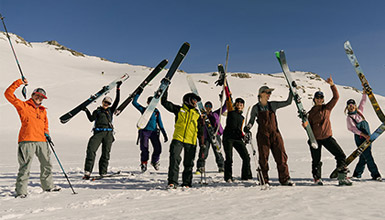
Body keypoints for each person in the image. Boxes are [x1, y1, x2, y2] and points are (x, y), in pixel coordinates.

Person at [5, 78, 60, 198]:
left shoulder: (43, 111)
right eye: (37, 96)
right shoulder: (23, 106)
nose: (39, 98)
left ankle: (48, 186)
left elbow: (45, 124)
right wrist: (19, 82)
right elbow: (8, 94)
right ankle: (21, 191)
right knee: (25, 166)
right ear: (33, 95)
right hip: (26, 140)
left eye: (41, 97)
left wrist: (47, 134)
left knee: (47, 164)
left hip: (42, 141)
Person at [305, 76, 351, 186]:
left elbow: (336, 97)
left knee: (341, 155)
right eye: (317, 98)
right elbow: (308, 127)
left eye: (321, 98)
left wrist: (332, 85)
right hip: (315, 139)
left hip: (327, 138)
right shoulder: (311, 113)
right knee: (316, 160)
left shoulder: (327, 108)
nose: (320, 99)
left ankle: (342, 177)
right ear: (314, 99)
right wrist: (305, 125)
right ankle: (317, 178)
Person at [244, 86, 294, 186]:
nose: (269, 95)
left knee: (281, 156)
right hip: (263, 136)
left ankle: (285, 179)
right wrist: (248, 127)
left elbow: (288, 102)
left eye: (270, 93)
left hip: (275, 134)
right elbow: (251, 121)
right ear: (261, 94)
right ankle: (264, 180)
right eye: (267, 93)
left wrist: (291, 92)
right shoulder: (256, 108)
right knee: (263, 158)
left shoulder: (273, 105)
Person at [161, 89, 203, 188]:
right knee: (174, 159)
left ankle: (187, 183)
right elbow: (164, 102)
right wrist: (165, 88)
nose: (195, 102)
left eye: (196, 101)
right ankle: (172, 182)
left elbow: (200, 130)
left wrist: (202, 143)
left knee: (189, 163)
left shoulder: (197, 114)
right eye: (194, 100)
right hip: (178, 139)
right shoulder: (179, 110)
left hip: (191, 141)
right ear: (187, 100)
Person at [82, 81, 121, 179]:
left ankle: (103, 171)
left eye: (108, 103)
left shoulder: (110, 111)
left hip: (108, 133)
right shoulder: (97, 111)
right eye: (105, 102)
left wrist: (118, 89)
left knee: (106, 153)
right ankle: (87, 172)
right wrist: (86, 110)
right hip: (98, 132)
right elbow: (91, 119)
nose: (106, 104)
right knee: (91, 150)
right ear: (102, 102)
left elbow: (117, 101)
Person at [345, 91, 381, 181]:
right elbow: (353, 129)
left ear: (355, 105)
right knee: (368, 156)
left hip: (368, 135)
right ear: (347, 107)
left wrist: (364, 93)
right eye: (349, 105)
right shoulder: (349, 118)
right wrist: (364, 135)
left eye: (352, 104)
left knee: (364, 157)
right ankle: (375, 174)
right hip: (360, 137)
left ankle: (357, 174)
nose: (351, 106)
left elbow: (363, 102)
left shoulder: (359, 112)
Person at [132, 92, 168, 172]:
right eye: (150, 102)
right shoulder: (144, 110)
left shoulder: (156, 112)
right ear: (147, 103)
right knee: (144, 149)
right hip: (144, 132)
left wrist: (164, 134)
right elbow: (134, 102)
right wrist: (139, 92)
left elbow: (160, 124)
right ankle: (144, 163)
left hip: (154, 132)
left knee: (158, 149)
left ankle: (154, 161)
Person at [222, 97, 252, 183]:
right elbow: (228, 100)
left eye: (241, 104)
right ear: (235, 104)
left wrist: (244, 136)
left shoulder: (242, 118)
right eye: (238, 104)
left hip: (237, 138)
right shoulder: (231, 112)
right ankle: (228, 177)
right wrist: (226, 86)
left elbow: (239, 129)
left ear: (243, 106)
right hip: (228, 138)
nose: (239, 105)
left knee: (246, 157)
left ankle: (246, 176)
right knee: (229, 158)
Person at [195, 101, 226, 174]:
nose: (208, 108)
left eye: (209, 106)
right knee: (203, 151)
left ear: (211, 107)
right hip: (206, 136)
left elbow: (224, 108)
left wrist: (227, 99)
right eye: (207, 106)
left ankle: (221, 167)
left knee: (217, 151)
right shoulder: (202, 116)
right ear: (205, 107)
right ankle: (200, 167)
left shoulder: (215, 114)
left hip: (215, 135)